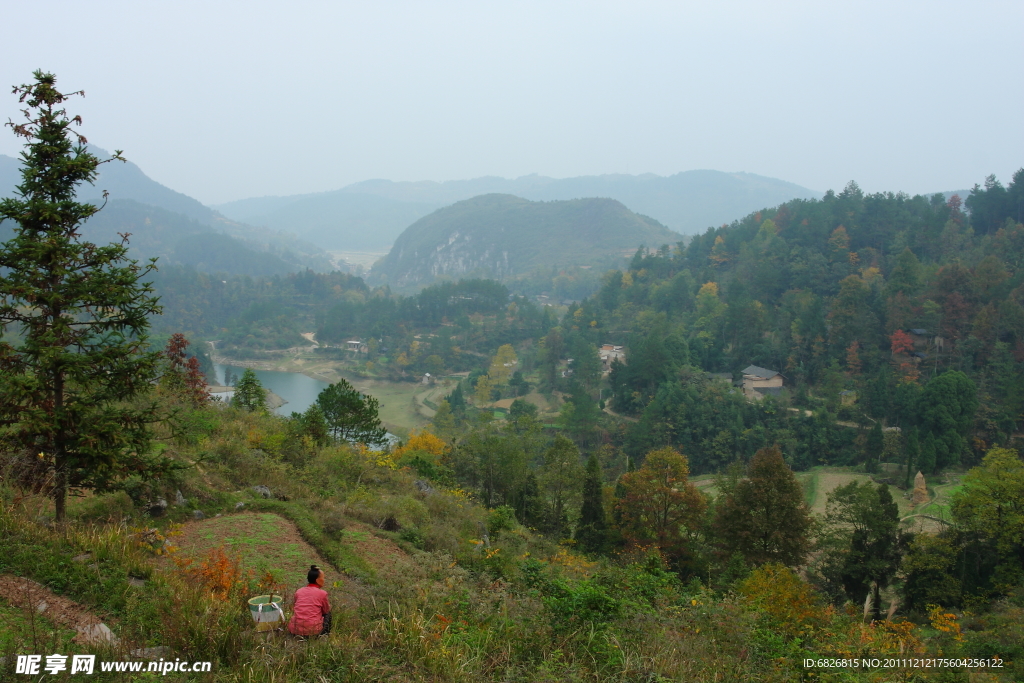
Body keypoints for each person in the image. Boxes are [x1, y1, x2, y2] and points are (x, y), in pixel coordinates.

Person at [287, 565, 332, 637]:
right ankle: (324, 636)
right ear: (317, 580)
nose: (324, 580)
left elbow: (295, 607)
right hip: (312, 631)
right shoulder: (322, 593)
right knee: (328, 614)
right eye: (323, 578)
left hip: (295, 630)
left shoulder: (299, 591)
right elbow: (326, 611)